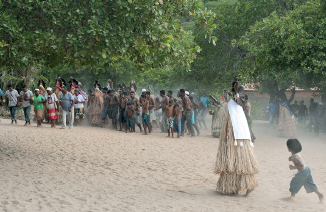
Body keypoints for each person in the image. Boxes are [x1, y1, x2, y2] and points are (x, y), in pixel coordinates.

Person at [214, 77, 259, 196]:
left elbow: (229, 123)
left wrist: (225, 137)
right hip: (242, 138)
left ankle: (233, 188)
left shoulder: (234, 107)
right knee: (241, 162)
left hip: (234, 139)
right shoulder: (239, 108)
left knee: (233, 162)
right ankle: (245, 185)